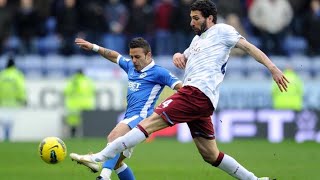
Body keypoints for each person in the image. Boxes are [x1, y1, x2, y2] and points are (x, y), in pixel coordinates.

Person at [70, 1, 289, 179]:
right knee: (210, 155)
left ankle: (98, 158)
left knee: (148, 123)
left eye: (196, 18)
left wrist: (272, 68)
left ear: (210, 18)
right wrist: (178, 56)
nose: (192, 22)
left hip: (196, 93)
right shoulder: (196, 40)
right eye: (191, 18)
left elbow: (249, 47)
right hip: (202, 101)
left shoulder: (223, 31)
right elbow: (184, 57)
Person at [71, 37, 182, 180]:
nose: (134, 60)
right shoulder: (131, 66)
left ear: (148, 55)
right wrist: (93, 47)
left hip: (142, 118)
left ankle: (104, 176)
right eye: (132, 57)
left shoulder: (159, 72)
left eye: (137, 57)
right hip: (129, 116)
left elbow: (181, 88)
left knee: (113, 138)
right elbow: (115, 56)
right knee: (116, 162)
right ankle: (103, 168)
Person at [63, 69, 96, 138]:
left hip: (74, 105)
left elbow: (66, 91)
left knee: (73, 123)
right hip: (87, 105)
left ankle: (73, 137)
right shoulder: (88, 81)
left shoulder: (73, 81)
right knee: (86, 123)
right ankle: (86, 136)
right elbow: (93, 91)